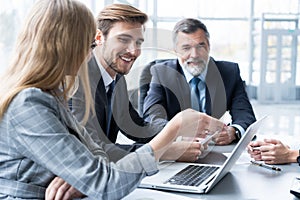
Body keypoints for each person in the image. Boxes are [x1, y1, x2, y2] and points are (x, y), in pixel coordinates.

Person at [0, 0, 225, 199]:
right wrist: (171, 135)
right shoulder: (30, 103)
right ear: (64, 44)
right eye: (87, 43)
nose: (89, 53)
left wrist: (82, 173)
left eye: (138, 42)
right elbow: (104, 181)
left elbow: (97, 152)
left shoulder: (54, 94)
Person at [71, 4, 208, 162]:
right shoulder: (77, 79)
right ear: (99, 38)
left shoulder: (116, 76)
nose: (133, 51)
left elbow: (136, 127)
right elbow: (90, 148)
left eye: (138, 43)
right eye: (123, 39)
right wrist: (163, 151)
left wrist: (180, 129)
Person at [141, 18, 256, 145]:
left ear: (209, 46)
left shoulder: (229, 72)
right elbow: (152, 118)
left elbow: (245, 115)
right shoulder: (162, 74)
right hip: (176, 148)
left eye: (200, 46)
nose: (195, 55)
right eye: (186, 48)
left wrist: (233, 131)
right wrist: (179, 133)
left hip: (214, 148)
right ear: (175, 50)